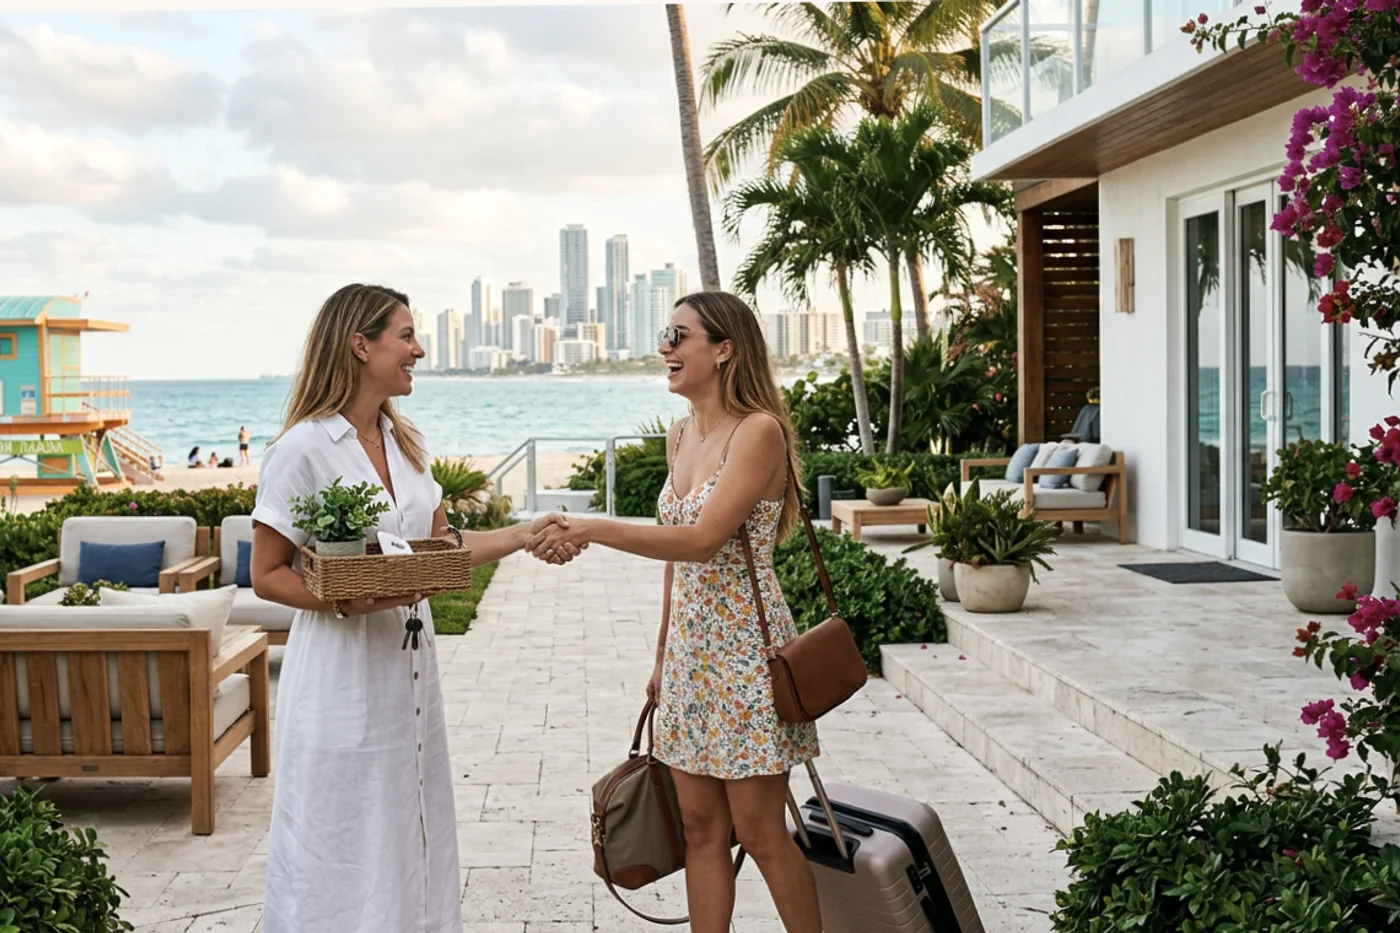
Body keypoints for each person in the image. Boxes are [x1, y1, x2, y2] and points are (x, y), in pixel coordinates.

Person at [249, 283, 576, 933]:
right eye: (406, 336)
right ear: (360, 344)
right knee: (339, 833)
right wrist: (345, 596)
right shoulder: (303, 449)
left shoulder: (405, 445)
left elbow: (441, 547)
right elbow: (266, 574)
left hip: (411, 675)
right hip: (340, 675)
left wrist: (523, 534)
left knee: (407, 826)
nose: (419, 349)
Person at [526, 291, 823, 933]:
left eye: (679, 335)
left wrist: (595, 529)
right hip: (692, 651)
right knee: (699, 827)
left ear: (724, 350)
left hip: (747, 649)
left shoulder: (759, 432)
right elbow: (676, 563)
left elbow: (700, 540)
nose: (665, 346)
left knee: (760, 830)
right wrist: (662, 654)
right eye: (666, 333)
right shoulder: (681, 433)